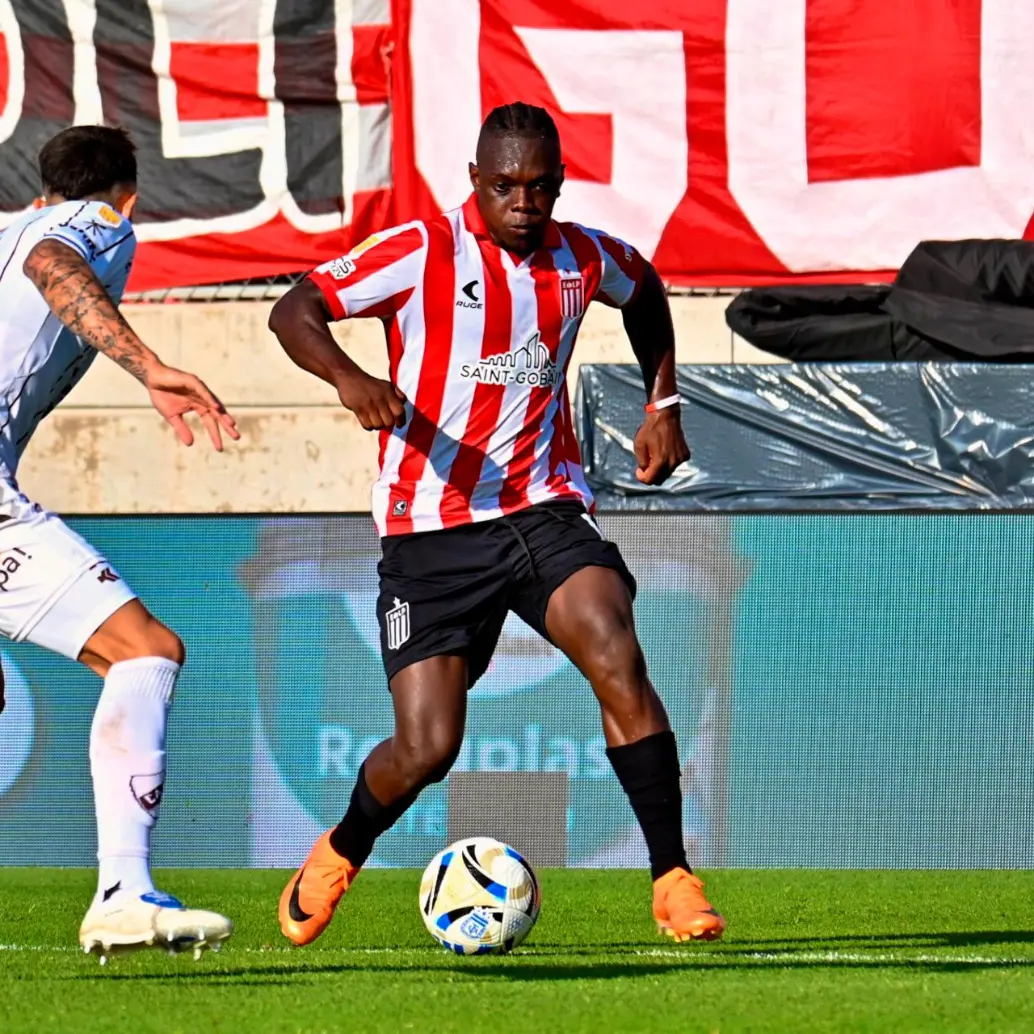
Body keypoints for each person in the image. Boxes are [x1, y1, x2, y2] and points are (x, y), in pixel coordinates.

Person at [268, 102, 725, 945]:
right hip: (429, 530)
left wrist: (663, 403)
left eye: (540, 186)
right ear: (475, 180)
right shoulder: (419, 251)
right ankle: (340, 849)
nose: (523, 202)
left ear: (560, 184)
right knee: (427, 747)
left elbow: (645, 290)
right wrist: (349, 378)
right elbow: (294, 310)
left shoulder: (581, 255)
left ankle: (672, 877)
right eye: (506, 185)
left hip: (542, 508)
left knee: (614, 647)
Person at [0, 125, 239, 961]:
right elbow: (54, 262)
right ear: (128, 199)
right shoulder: (96, 224)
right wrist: (149, 366)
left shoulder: (10, 227)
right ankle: (123, 892)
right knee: (144, 652)